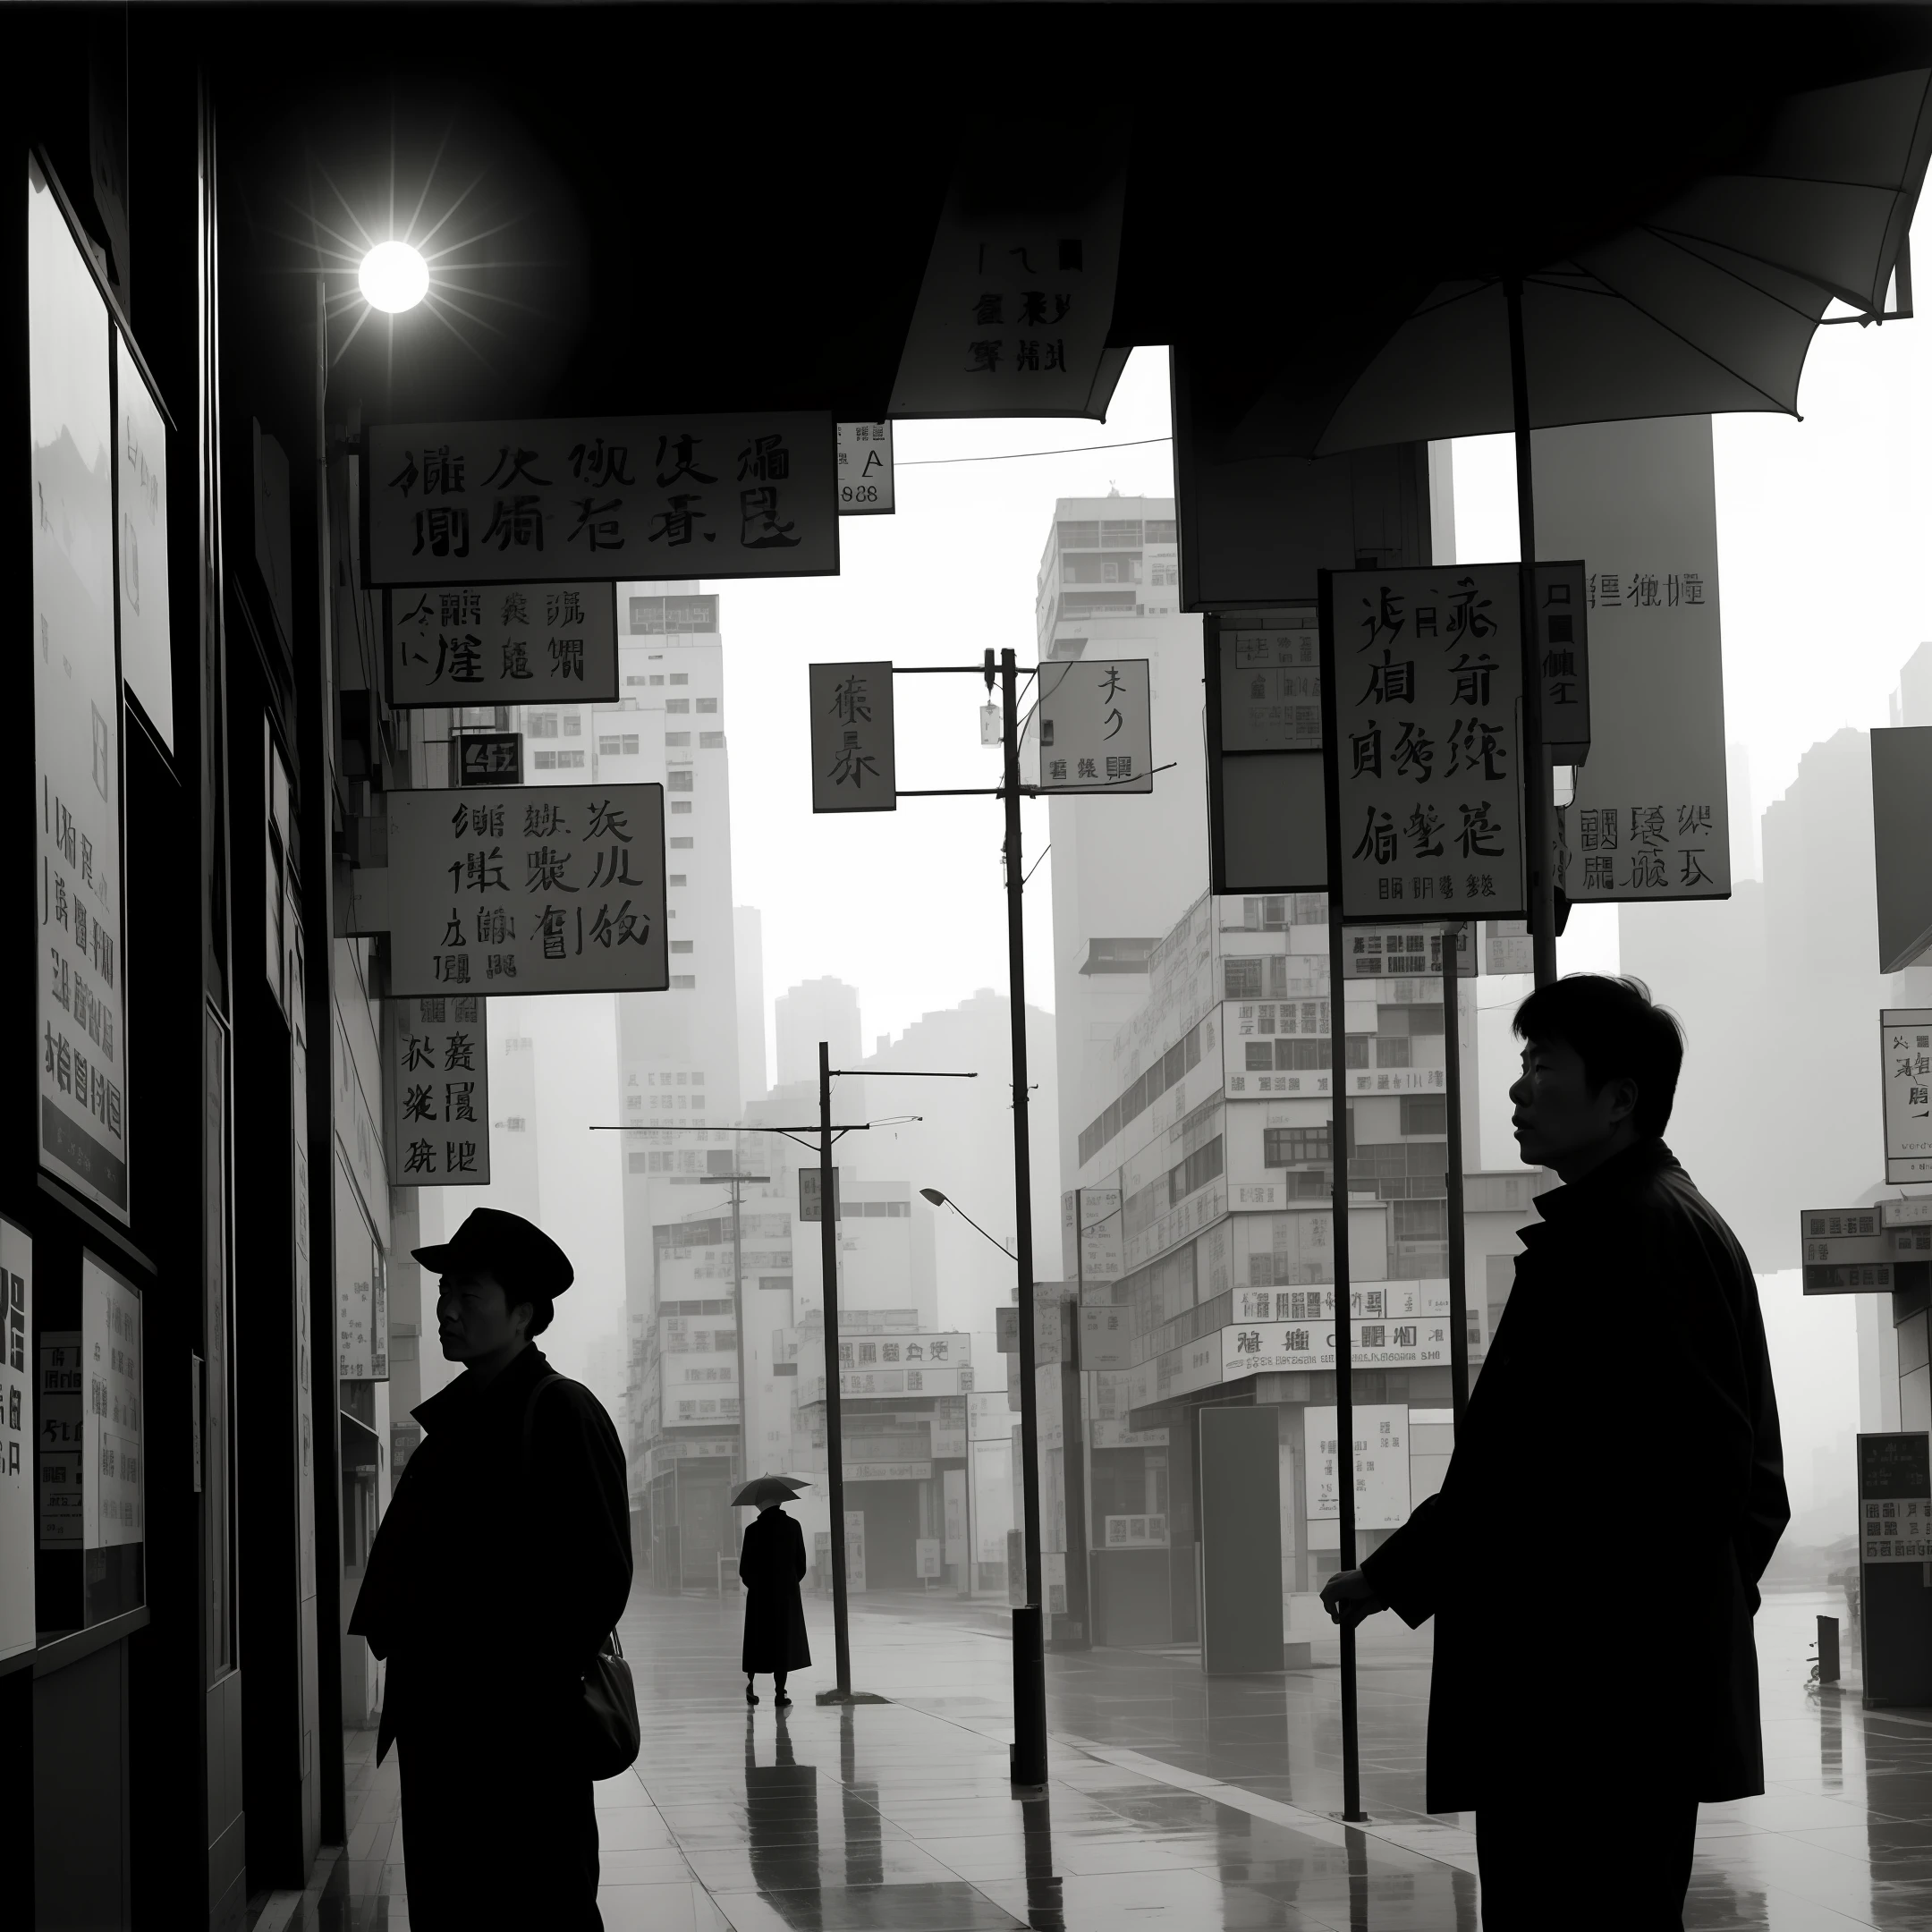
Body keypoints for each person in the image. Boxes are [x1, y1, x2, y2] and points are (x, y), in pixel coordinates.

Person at [1321, 975, 1787, 1932]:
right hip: (1590, 1698)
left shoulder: (1647, 1235)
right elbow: (1533, 1469)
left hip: (1597, 1708)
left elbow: (1709, 1479)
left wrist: (1655, 1638)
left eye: (1543, 1066)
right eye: (1521, 1064)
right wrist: (1401, 1573)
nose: (1518, 1091)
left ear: (1620, 1097)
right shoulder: (1619, 1226)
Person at [349, 1208, 631, 1931]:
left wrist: (517, 1686)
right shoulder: (456, 1422)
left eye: (466, 1295)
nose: (446, 1310)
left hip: (521, 1745)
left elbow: (600, 1577)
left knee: (537, 1907)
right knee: (452, 1906)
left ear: (523, 1314)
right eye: (444, 1294)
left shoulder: (559, 1410)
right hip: (443, 1735)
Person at [739, 1498, 809, 1706]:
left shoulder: (753, 1530)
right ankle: (780, 1693)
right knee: (783, 1642)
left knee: (757, 1640)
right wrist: (788, 1583)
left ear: (761, 1505)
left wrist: (757, 1585)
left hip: (759, 1597)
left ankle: (750, 1686)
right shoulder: (793, 1526)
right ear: (780, 1502)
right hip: (786, 1596)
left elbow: (745, 1569)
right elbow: (801, 1564)